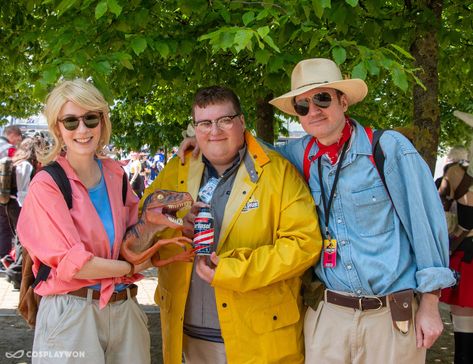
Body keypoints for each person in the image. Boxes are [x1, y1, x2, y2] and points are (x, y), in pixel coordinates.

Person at [178, 58, 456, 363]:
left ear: (343, 100)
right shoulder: (298, 154)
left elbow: (426, 224)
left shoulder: (388, 149)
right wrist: (207, 137)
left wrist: (430, 304)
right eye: (302, 105)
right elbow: (243, 146)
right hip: (329, 314)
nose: (313, 110)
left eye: (322, 98)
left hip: (389, 315)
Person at [143, 85, 322, 363]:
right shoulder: (177, 169)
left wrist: (232, 270)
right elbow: (143, 223)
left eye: (224, 120)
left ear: (241, 122)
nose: (214, 131)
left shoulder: (277, 171)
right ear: (194, 129)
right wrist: (176, 224)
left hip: (258, 339)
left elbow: (304, 245)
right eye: (204, 123)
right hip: (187, 337)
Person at [17, 79, 151, 364]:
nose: (82, 129)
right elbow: (74, 265)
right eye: (71, 121)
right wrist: (130, 267)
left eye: (91, 118)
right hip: (72, 314)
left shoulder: (116, 174)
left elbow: (135, 238)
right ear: (57, 128)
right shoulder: (47, 184)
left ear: (102, 122)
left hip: (124, 307)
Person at [439, 110, 473, 364]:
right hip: (466, 256)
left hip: (467, 255)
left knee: (465, 337)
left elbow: (465, 221)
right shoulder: (457, 176)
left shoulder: (455, 175)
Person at [4, 137, 40, 289]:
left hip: (12, 204)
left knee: (20, 238)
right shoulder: (25, 165)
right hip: (18, 205)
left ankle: (14, 266)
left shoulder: (18, 162)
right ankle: (15, 271)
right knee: (22, 239)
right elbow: (22, 190)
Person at [0, 125, 23, 264]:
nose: (18, 141)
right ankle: (4, 258)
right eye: (18, 138)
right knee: (6, 226)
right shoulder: (9, 149)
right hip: (5, 193)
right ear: (12, 134)